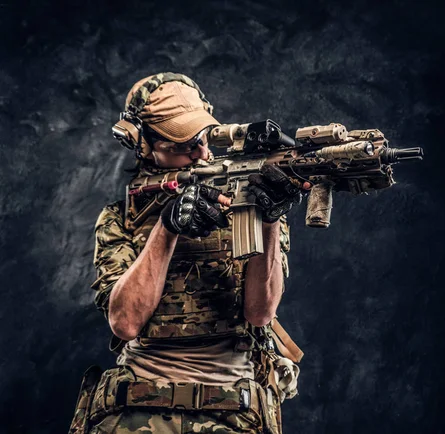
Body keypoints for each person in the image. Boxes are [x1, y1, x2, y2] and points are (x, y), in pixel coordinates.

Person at [69, 73, 303, 434]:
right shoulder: (121, 219)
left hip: (230, 405)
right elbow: (125, 323)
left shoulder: (245, 202)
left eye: (203, 139)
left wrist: (269, 219)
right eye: (182, 146)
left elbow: (260, 313)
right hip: (139, 405)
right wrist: (167, 227)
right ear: (143, 144)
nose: (201, 153)